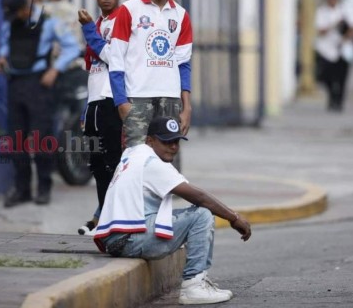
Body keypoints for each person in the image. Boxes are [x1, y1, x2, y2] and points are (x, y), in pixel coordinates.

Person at [94, 116, 252, 305]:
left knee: (191, 215)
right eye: (166, 141)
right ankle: (193, 286)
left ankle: (197, 281)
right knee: (201, 215)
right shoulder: (152, 163)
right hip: (130, 239)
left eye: (176, 141)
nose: (173, 146)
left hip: (117, 239)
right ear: (150, 140)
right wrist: (233, 218)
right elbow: (198, 197)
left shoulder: (134, 154)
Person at [0, 0, 81, 207]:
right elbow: (5, 44)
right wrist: (3, 58)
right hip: (15, 84)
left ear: (25, 8)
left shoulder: (49, 22)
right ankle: (22, 189)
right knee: (16, 140)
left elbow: (72, 47)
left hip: (39, 84)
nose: (14, 18)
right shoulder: (11, 22)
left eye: (17, 13)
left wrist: (56, 69)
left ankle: (44, 188)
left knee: (42, 139)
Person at [108, 0, 193, 148]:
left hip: (170, 98)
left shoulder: (181, 15)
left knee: (166, 155)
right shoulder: (128, 10)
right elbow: (116, 60)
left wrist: (186, 105)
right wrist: (121, 101)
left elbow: (184, 63)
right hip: (137, 96)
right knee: (135, 155)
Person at [76, 0, 125, 235]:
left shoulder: (122, 20)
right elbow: (92, 69)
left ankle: (115, 221)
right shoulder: (96, 23)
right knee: (97, 164)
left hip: (112, 100)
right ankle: (104, 217)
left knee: (115, 162)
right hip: (95, 101)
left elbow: (110, 57)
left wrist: (87, 30)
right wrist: (86, 109)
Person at [315, 0, 353, 112]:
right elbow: (320, 30)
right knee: (325, 77)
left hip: (342, 50)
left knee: (342, 79)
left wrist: (346, 36)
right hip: (326, 50)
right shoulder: (322, 12)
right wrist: (334, 25)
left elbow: (352, 29)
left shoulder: (344, 11)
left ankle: (338, 103)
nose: (332, 0)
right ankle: (332, 97)